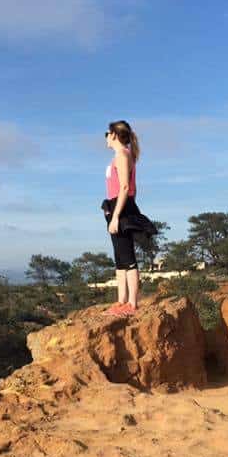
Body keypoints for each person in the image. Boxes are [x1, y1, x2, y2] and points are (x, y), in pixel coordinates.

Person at [104, 120, 142, 315]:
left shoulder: (122, 155)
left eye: (107, 133)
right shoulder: (120, 156)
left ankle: (133, 304)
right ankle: (122, 301)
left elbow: (125, 187)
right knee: (120, 258)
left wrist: (117, 216)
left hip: (121, 207)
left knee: (128, 257)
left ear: (114, 135)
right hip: (115, 206)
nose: (105, 137)